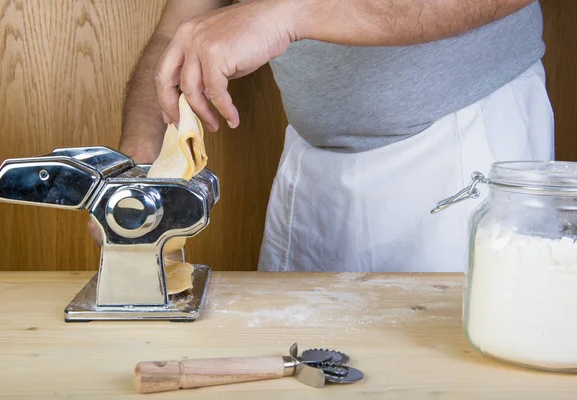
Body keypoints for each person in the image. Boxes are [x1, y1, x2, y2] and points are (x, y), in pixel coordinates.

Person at [95, 0, 554, 273]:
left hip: (463, 145)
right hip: (311, 170)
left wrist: (293, 12)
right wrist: (138, 168)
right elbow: (183, 28)